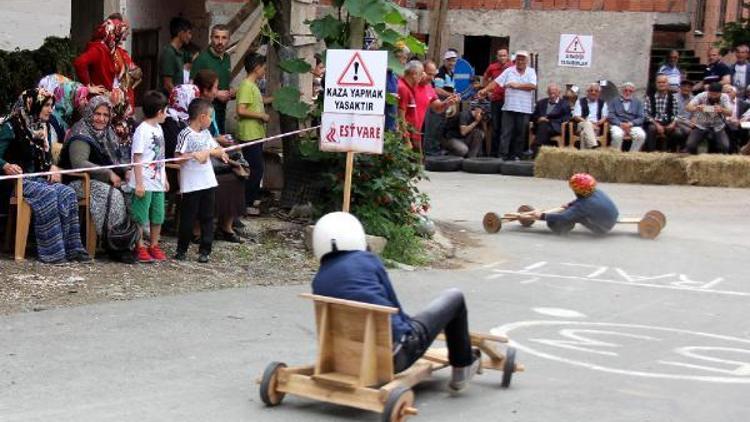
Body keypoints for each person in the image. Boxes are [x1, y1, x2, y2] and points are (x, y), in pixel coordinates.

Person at [311, 212, 481, 392]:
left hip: (346, 357)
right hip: (396, 355)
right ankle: (462, 367)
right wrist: (414, 328)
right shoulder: (368, 261)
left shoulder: (319, 279)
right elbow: (394, 307)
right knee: (454, 296)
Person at [0, 89, 90, 263]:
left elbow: (45, 158)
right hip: (15, 181)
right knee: (48, 193)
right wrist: (5, 165)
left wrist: (52, 167)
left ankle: (72, 248)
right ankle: (53, 252)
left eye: (52, 106)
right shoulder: (11, 126)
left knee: (68, 193)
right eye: (46, 105)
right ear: (33, 104)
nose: (50, 110)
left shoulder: (44, 127)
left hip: (38, 179)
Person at [59, 96, 133, 262]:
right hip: (77, 181)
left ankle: (129, 241)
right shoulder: (80, 133)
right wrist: (107, 173)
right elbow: (79, 163)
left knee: (130, 190)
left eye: (106, 115)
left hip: (101, 180)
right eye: (97, 114)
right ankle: (114, 244)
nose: (101, 119)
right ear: (89, 113)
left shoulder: (108, 134)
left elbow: (115, 160)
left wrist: (126, 170)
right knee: (112, 195)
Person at [194, 69, 248, 242]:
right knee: (228, 173)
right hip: (205, 158)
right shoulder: (197, 110)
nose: (217, 92)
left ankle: (227, 225)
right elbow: (200, 137)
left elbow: (214, 135)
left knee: (238, 174)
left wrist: (222, 142)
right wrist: (218, 142)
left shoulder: (212, 109)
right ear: (205, 90)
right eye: (215, 88)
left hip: (216, 151)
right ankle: (198, 228)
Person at [174, 98, 229, 263]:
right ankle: (181, 249)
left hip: (208, 182)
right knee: (188, 218)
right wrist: (193, 156)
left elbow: (217, 149)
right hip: (191, 185)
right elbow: (178, 158)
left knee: (207, 217)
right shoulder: (185, 134)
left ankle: (205, 249)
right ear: (202, 117)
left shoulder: (206, 134)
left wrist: (218, 152)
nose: (211, 120)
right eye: (210, 116)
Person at [130, 91, 169, 263]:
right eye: (166, 111)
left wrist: (165, 177)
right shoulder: (141, 130)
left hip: (158, 180)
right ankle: (139, 245)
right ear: (159, 112)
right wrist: (138, 183)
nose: (166, 114)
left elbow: (161, 156)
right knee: (140, 216)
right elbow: (137, 157)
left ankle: (154, 244)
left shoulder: (159, 129)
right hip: (144, 181)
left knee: (158, 214)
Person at [478, 50, 537, 161]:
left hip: (524, 108)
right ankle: (502, 156)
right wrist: (485, 90)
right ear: (515, 60)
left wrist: (516, 85)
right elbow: (496, 82)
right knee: (505, 133)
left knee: (520, 133)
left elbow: (533, 86)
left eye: (522, 59)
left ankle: (516, 156)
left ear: (527, 61)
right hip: (509, 106)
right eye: (518, 59)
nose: (520, 61)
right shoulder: (509, 71)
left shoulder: (531, 71)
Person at [73, 16, 139, 114]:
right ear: (113, 33)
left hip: (112, 104)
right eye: (121, 34)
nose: (124, 39)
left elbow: (135, 73)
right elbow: (79, 62)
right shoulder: (99, 49)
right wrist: (88, 86)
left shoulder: (114, 50)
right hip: (100, 105)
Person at [236, 53, 272, 216]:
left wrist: (274, 99)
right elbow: (241, 109)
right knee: (256, 169)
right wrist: (261, 116)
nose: (265, 71)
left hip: (255, 133)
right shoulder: (246, 86)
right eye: (264, 68)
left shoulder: (253, 86)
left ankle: (250, 199)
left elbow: (258, 101)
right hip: (249, 134)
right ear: (257, 68)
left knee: (256, 167)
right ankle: (246, 202)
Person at [528, 173, 619, 235]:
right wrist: (571, 204)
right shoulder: (596, 191)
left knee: (558, 219)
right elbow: (581, 199)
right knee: (574, 211)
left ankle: (562, 231)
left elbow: (564, 217)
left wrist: (542, 216)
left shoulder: (583, 205)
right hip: (612, 219)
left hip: (602, 229)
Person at [190, 24, 234, 134]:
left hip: (222, 111)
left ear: (229, 39)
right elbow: (191, 87)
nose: (220, 41)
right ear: (211, 38)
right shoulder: (202, 59)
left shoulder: (227, 58)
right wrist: (217, 94)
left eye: (224, 38)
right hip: (205, 113)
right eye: (216, 37)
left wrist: (230, 92)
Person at [415, 60, 460, 155]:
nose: (432, 78)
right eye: (429, 74)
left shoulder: (428, 87)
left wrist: (447, 102)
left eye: (433, 75)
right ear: (421, 72)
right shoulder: (410, 85)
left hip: (417, 133)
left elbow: (437, 108)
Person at [685, 82, 732, 154]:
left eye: (715, 95)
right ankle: (695, 160)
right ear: (708, 92)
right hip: (701, 125)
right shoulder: (702, 95)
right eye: (711, 94)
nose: (713, 96)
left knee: (725, 146)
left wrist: (721, 109)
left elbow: (730, 113)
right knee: (690, 145)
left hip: (718, 126)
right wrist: (697, 108)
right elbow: (688, 107)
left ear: (720, 93)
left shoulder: (724, 97)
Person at [482, 49, 512, 157]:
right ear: (497, 57)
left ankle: (505, 153)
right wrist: (488, 91)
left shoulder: (512, 67)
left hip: (508, 101)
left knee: (507, 127)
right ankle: (494, 153)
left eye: (504, 55)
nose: (502, 57)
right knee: (496, 127)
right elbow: (485, 79)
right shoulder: (492, 67)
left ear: (508, 56)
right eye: (500, 56)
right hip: (496, 100)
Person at [644, 74, 680, 152]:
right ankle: (651, 153)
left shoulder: (673, 98)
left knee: (677, 132)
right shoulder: (649, 97)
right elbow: (646, 114)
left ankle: (672, 155)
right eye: (659, 82)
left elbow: (676, 114)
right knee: (651, 129)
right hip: (654, 123)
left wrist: (673, 124)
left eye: (663, 82)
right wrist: (657, 125)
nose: (661, 84)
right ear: (656, 84)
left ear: (668, 84)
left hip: (668, 123)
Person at [607, 82, 646, 152]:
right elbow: (611, 115)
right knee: (617, 135)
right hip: (618, 125)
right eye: (625, 90)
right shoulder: (614, 101)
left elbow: (641, 117)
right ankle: (615, 155)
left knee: (641, 135)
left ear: (633, 92)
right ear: (622, 91)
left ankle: (631, 155)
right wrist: (620, 124)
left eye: (630, 91)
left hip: (632, 125)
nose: (627, 93)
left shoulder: (638, 102)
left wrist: (631, 124)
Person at [531, 83, 570, 149]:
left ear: (559, 93)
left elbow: (566, 118)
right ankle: (539, 147)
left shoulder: (564, 104)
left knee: (544, 125)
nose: (552, 95)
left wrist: (548, 120)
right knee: (543, 125)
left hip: (555, 127)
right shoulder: (541, 103)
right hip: (539, 126)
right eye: (550, 93)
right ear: (547, 93)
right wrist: (539, 119)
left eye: (554, 93)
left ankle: (536, 147)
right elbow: (533, 116)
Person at [160, 17, 193, 95]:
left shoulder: (181, 52)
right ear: (181, 33)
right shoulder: (169, 52)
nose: (190, 37)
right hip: (171, 100)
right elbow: (168, 84)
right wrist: (179, 99)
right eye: (189, 33)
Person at [398, 60, 424, 152]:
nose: (422, 77)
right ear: (414, 74)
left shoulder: (409, 87)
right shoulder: (403, 88)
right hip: (407, 137)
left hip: (413, 135)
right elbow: (400, 117)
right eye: (421, 74)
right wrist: (406, 140)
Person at [572, 83, 608, 149]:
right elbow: (576, 116)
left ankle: (584, 155)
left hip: (596, 126)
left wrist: (597, 123)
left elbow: (604, 117)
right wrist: (590, 124)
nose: (593, 93)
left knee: (583, 134)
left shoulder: (603, 103)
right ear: (587, 92)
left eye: (596, 91)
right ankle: (594, 146)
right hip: (581, 125)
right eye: (591, 90)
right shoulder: (580, 101)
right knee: (587, 124)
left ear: (599, 93)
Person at [672, 80, 695, 152]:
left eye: (689, 87)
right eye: (684, 86)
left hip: (688, 124)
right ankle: (677, 151)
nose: (686, 89)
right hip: (675, 123)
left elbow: (695, 113)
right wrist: (687, 122)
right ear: (680, 87)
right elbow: (673, 115)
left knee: (696, 132)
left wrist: (694, 119)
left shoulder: (694, 99)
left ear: (691, 89)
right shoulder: (673, 97)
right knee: (680, 132)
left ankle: (689, 152)